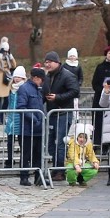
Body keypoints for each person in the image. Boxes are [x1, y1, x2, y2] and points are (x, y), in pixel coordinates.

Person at [43, 51, 80, 181]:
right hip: (52, 113)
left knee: (60, 143)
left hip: (63, 113)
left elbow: (75, 91)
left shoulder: (67, 75)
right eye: (46, 62)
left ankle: (60, 171)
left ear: (57, 62)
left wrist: (58, 97)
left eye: (49, 62)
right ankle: (55, 168)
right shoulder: (47, 76)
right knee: (51, 144)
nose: (47, 64)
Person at [17, 66, 46, 186]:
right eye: (41, 79)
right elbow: (21, 107)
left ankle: (38, 177)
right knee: (26, 154)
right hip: (27, 128)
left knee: (38, 154)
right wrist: (34, 119)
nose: (42, 82)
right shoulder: (24, 89)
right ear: (36, 78)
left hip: (38, 128)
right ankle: (24, 177)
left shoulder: (38, 89)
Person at [3, 65, 27, 168]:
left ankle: (23, 161)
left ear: (23, 78)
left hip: (21, 117)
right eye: (15, 77)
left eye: (19, 77)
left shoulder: (24, 88)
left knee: (22, 142)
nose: (16, 79)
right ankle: (9, 160)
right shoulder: (10, 88)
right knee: (10, 141)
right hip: (11, 117)